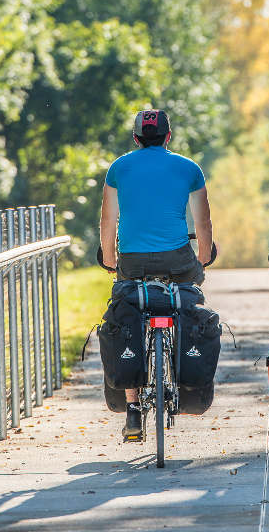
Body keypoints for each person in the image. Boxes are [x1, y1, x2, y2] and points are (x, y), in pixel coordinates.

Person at [99, 108, 213, 440]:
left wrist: (109, 258)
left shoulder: (119, 168)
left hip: (132, 260)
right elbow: (202, 223)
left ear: (136, 139)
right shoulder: (189, 168)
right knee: (189, 293)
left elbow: (109, 221)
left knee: (130, 307)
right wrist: (203, 256)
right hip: (177, 258)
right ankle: (182, 361)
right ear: (169, 136)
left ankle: (133, 408)